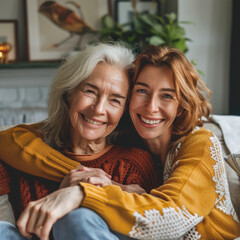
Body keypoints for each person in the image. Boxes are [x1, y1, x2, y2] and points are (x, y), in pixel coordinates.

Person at [1, 45, 240, 240]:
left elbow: (171, 216)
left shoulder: (199, 143)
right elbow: (9, 139)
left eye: (167, 95)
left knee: (76, 219)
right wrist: (90, 177)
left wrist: (82, 193)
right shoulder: (129, 134)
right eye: (142, 91)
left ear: (182, 105)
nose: (151, 107)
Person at [0, 43, 160, 239]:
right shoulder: (24, 155)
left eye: (115, 100)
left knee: (78, 219)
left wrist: (110, 188)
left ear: (124, 112)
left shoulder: (135, 163)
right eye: (90, 91)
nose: (99, 109)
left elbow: (153, 226)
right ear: (69, 93)